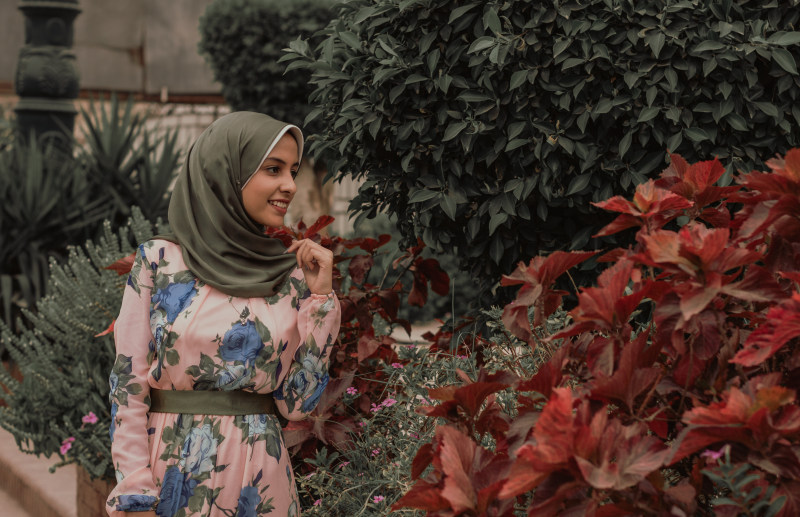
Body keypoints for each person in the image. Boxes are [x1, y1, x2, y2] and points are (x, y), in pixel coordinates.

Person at [105, 111, 340, 516]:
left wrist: (322, 302)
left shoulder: (292, 275)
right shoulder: (160, 261)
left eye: (293, 170)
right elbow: (127, 386)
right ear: (225, 172)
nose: (289, 184)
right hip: (170, 480)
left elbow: (297, 404)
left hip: (261, 482)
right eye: (273, 169)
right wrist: (135, 487)